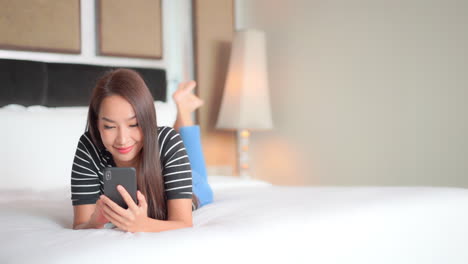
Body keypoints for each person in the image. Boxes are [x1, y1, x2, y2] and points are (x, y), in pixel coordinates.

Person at [71, 68, 213, 233]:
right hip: (162, 150)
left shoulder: (168, 141)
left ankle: (183, 109)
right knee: (165, 143)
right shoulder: (89, 146)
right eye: (109, 126)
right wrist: (94, 222)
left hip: (195, 186)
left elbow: (183, 223)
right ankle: (180, 108)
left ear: (146, 119)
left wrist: (142, 225)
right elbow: (80, 224)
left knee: (195, 171)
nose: (122, 140)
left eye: (134, 124)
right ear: (97, 124)